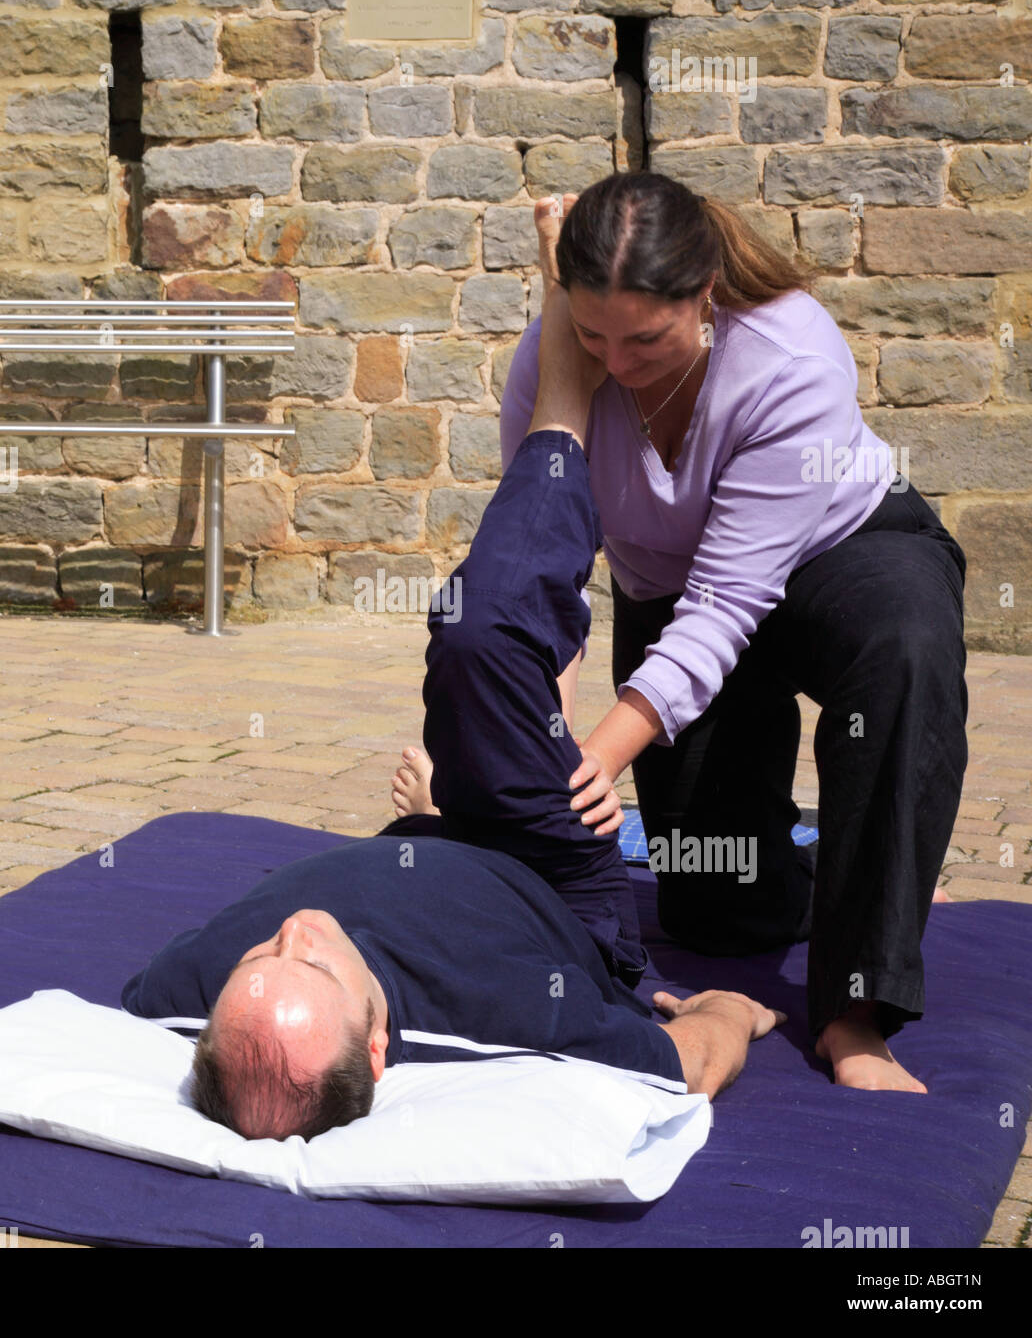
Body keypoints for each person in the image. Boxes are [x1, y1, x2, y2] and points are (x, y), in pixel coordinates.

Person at [121, 268, 786, 1141]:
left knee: (479, 652)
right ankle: (564, 388)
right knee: (483, 631)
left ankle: (457, 794)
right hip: (549, 871)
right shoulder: (507, 1016)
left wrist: (440, 823)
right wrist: (732, 1010)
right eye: (312, 969)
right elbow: (687, 1063)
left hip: (441, 832)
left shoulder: (177, 992)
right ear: (378, 1043)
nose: (292, 935)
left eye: (260, 959)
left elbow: (175, 1017)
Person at [395, 174, 968, 1095]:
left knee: (905, 649)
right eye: (592, 335)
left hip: (845, 555)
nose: (616, 364)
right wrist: (553, 756)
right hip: (671, 590)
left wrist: (609, 750)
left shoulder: (788, 358)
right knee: (716, 908)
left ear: (704, 299)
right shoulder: (556, 364)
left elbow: (731, 603)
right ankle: (835, 866)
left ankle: (857, 1014)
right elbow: (552, 567)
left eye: (646, 340)